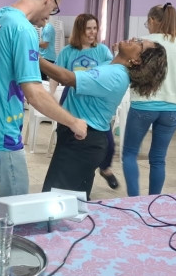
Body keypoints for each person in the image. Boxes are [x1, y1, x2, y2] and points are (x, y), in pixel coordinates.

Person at [0, 0, 88, 214]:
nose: (49, 16)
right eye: (54, 8)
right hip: (0, 139)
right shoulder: (23, 29)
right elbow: (35, 94)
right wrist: (73, 122)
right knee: (13, 217)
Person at [40, 37, 167, 197]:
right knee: (73, 198)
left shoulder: (115, 75)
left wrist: (33, 57)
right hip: (83, 138)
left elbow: (67, 78)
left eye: (140, 44)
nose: (134, 39)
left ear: (137, 60)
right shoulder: (113, 66)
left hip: (82, 142)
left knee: (55, 198)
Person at [122, 4, 176, 197]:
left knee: (129, 154)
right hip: (172, 110)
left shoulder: (140, 42)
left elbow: (122, 73)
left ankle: (134, 200)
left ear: (152, 20)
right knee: (158, 158)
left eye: (147, 23)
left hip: (142, 106)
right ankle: (154, 200)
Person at [51, 14, 117, 184]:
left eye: (95, 28)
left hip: (95, 102)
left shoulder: (102, 51)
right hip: (72, 99)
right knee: (71, 143)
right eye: (88, 28)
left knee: (107, 142)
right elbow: (55, 75)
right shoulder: (67, 52)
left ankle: (105, 168)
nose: (92, 32)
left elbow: (111, 73)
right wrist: (51, 95)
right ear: (80, 29)